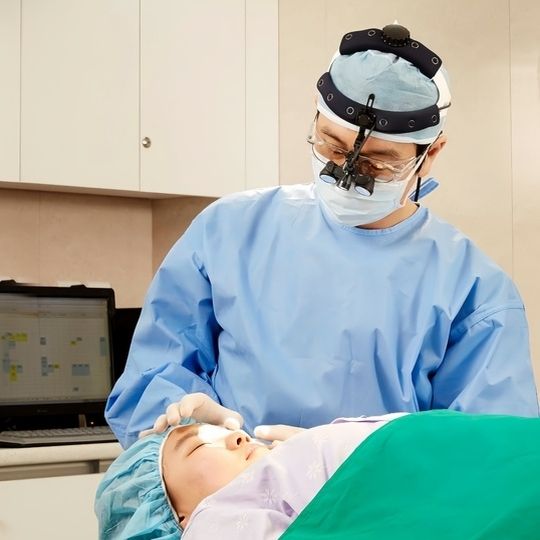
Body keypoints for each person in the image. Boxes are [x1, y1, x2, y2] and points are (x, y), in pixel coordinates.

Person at [105, 23, 539, 449]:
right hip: (227, 490)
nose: (346, 175)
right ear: (315, 116)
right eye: (332, 146)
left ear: (431, 154)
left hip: (371, 498)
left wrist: (348, 465)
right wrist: (191, 432)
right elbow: (149, 384)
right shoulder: (228, 231)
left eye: (377, 164)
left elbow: (492, 454)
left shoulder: (474, 291)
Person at [95, 411, 540, 539]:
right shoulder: (209, 523)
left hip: (453, 450)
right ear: (178, 517)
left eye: (224, 430)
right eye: (196, 446)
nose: (235, 436)